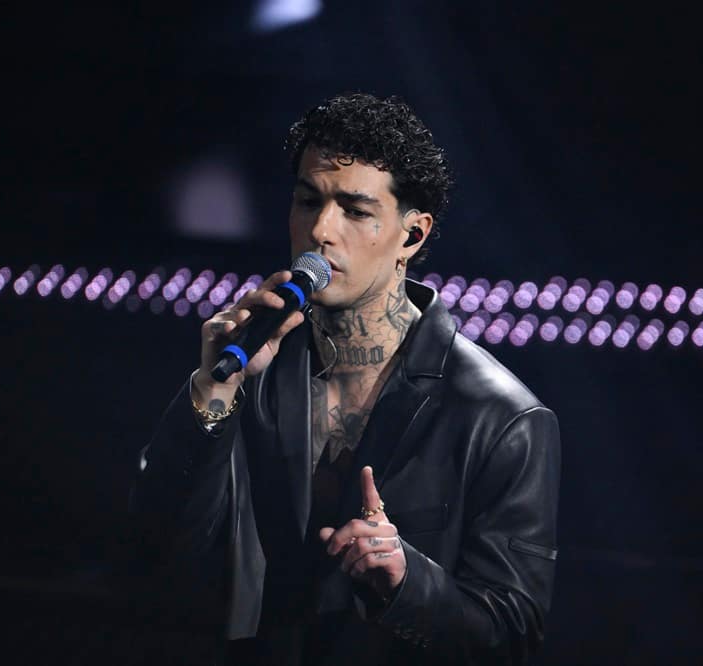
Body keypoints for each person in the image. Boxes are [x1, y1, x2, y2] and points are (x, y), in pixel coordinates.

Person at [132, 93, 561, 665]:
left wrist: (408, 581)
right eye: (308, 201)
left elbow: (513, 634)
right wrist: (213, 391)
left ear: (412, 235)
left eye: (354, 210)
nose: (321, 230)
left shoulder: (501, 418)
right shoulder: (250, 365)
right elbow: (157, 546)